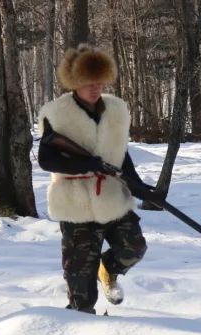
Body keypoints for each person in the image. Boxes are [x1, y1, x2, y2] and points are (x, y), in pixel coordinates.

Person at [36, 44, 154, 313]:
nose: (95, 87)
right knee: (80, 282)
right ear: (75, 82)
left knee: (133, 247)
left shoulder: (116, 110)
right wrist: (85, 164)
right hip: (75, 203)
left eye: (99, 81)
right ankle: (82, 328)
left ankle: (108, 269)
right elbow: (47, 159)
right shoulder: (56, 113)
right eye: (88, 82)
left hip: (112, 196)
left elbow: (120, 153)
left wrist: (138, 186)